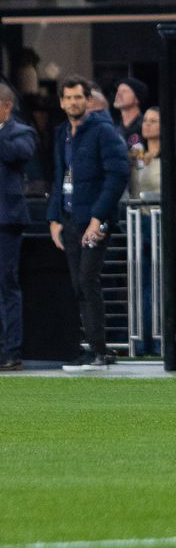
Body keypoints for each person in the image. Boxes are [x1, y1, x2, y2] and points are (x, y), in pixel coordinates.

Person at [47, 76, 129, 372]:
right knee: (78, 284)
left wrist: (98, 218)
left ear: (88, 100)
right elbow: (60, 177)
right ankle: (94, 348)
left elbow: (118, 175)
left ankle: (97, 350)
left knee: (86, 280)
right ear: (61, 102)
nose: (73, 103)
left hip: (97, 221)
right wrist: (53, 217)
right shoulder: (61, 134)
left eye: (78, 97)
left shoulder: (103, 131)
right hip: (69, 218)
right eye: (67, 98)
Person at [0, 84, 35, 371]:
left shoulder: (20, 132)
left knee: (6, 284)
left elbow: (17, 155)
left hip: (6, 220)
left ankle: (11, 351)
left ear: (6, 105)